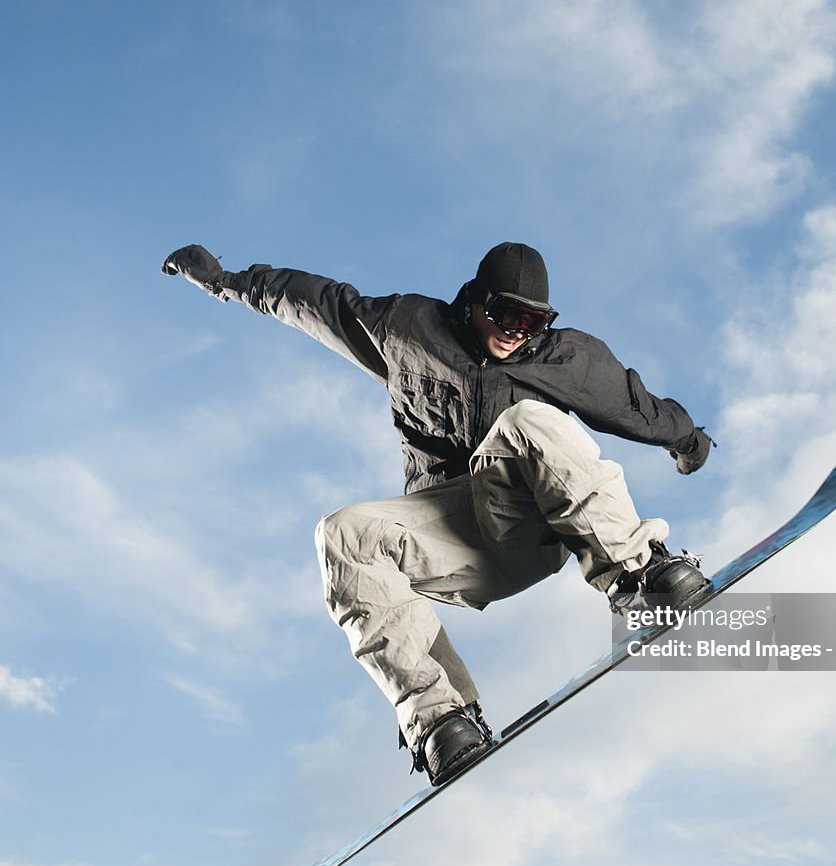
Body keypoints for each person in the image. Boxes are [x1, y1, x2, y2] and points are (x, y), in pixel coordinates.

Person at [162, 242, 714, 785]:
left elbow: (640, 409)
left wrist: (688, 442)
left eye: (533, 321)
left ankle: (638, 577)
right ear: (474, 300)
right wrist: (223, 281)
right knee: (344, 532)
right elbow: (314, 301)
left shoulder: (570, 358)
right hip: (456, 536)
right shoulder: (406, 327)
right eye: (506, 314)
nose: (516, 331)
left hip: (535, 526)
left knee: (527, 420)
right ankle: (439, 720)